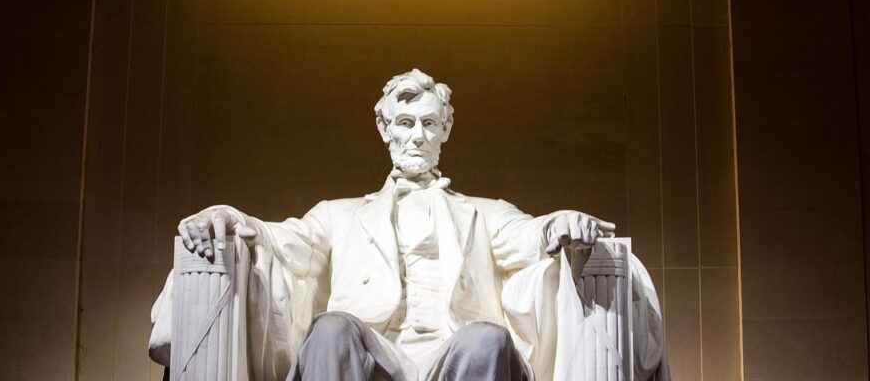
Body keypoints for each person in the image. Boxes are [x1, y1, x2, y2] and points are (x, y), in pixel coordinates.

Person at [150, 69, 668, 381]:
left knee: (487, 339)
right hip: (369, 358)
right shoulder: (338, 213)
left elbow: (532, 235)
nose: (416, 136)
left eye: (428, 124)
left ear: (445, 131)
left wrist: (561, 224)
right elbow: (287, 242)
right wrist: (234, 218)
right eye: (404, 123)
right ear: (384, 130)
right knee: (330, 329)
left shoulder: (484, 212)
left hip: (456, 356)